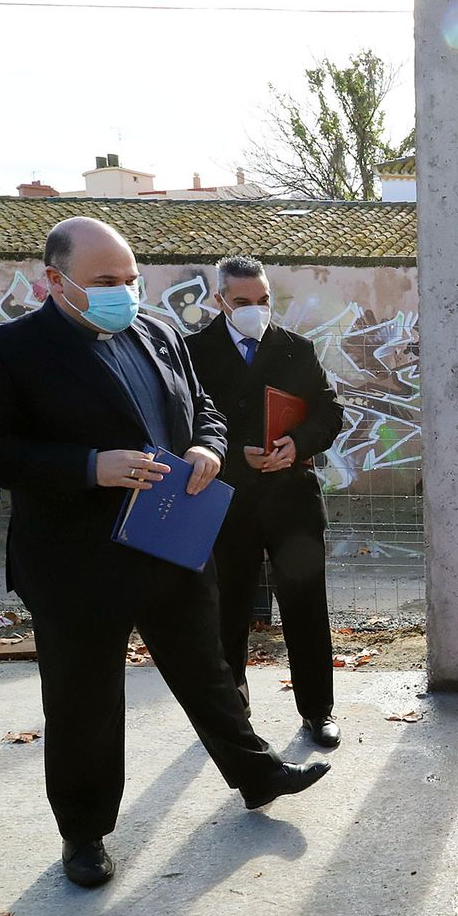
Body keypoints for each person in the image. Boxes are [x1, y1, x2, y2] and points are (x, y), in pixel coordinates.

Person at [0, 217, 329, 888]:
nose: (124, 293)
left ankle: (256, 770)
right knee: (84, 701)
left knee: (205, 670)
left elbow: (203, 407)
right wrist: (91, 465)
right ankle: (85, 832)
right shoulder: (4, 350)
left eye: (130, 279)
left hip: (169, 538)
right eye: (105, 282)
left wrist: (206, 447)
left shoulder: (155, 332)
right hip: (76, 561)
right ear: (54, 280)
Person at [186, 255, 346, 749]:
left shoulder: (296, 348)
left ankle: (318, 710)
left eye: (263, 301)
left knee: (305, 608)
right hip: (227, 500)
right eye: (243, 302)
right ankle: (232, 714)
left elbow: (329, 411)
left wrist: (298, 443)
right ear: (220, 301)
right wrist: (237, 457)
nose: (255, 310)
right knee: (227, 609)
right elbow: (185, 421)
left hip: (291, 501)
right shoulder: (193, 351)